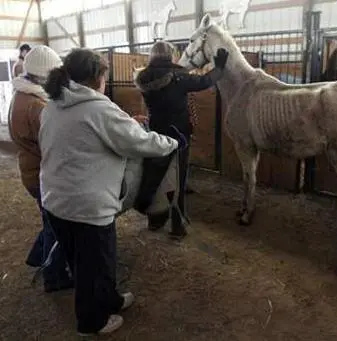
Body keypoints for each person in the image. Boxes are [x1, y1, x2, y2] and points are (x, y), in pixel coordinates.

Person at [40, 48, 179, 336]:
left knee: (85, 262)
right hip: (88, 205)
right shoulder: (98, 108)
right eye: (105, 76)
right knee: (95, 264)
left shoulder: (53, 104)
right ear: (96, 77)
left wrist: (129, 124)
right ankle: (92, 322)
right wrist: (170, 143)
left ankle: (110, 299)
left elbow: (89, 135)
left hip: (55, 200)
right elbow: (139, 143)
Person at [134, 41, 229, 239]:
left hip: (154, 134)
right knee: (178, 179)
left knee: (155, 176)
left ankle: (155, 219)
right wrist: (219, 68)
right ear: (171, 55)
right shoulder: (178, 76)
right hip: (178, 136)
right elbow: (204, 82)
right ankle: (177, 226)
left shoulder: (143, 77)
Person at [8, 45, 73, 293]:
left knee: (50, 222)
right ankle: (54, 277)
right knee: (56, 228)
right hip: (42, 175)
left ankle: (38, 256)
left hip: (31, 170)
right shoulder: (38, 107)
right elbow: (54, 146)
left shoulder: (21, 96)